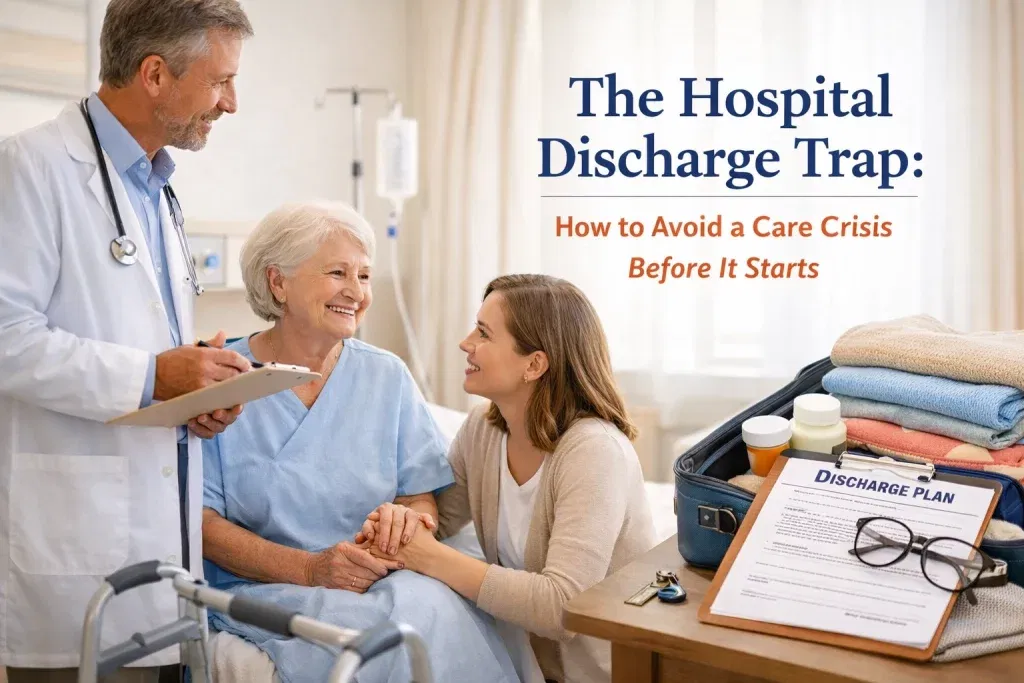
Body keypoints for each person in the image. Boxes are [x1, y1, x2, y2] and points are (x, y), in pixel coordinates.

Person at [0, 1, 254, 680]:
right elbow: (7, 338)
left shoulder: (157, 189)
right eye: (221, 80)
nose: (230, 102)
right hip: (76, 547)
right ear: (153, 74)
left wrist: (197, 385)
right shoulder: (31, 168)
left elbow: (135, 335)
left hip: (163, 554)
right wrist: (152, 376)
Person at [200, 201, 519, 683]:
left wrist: (406, 523)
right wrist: (310, 570)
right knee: (381, 636)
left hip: (380, 579)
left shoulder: (384, 374)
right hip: (271, 586)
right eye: (337, 272)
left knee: (435, 608)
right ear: (278, 282)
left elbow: (421, 498)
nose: (356, 292)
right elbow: (198, 522)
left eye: (365, 276)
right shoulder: (220, 377)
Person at [361, 274, 658, 683]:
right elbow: (438, 522)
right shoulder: (483, 431)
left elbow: (564, 607)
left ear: (534, 364)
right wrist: (396, 524)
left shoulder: (594, 452)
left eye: (483, 333)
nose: (466, 343)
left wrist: (429, 557)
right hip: (530, 668)